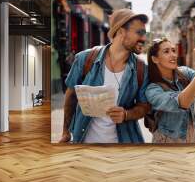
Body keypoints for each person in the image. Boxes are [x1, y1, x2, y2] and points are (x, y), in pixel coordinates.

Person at [59, 9, 151, 143]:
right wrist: (65, 131)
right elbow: (71, 95)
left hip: (124, 143)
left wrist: (126, 114)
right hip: (84, 141)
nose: (144, 38)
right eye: (139, 33)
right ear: (120, 31)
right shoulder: (85, 59)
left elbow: (144, 106)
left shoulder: (141, 68)